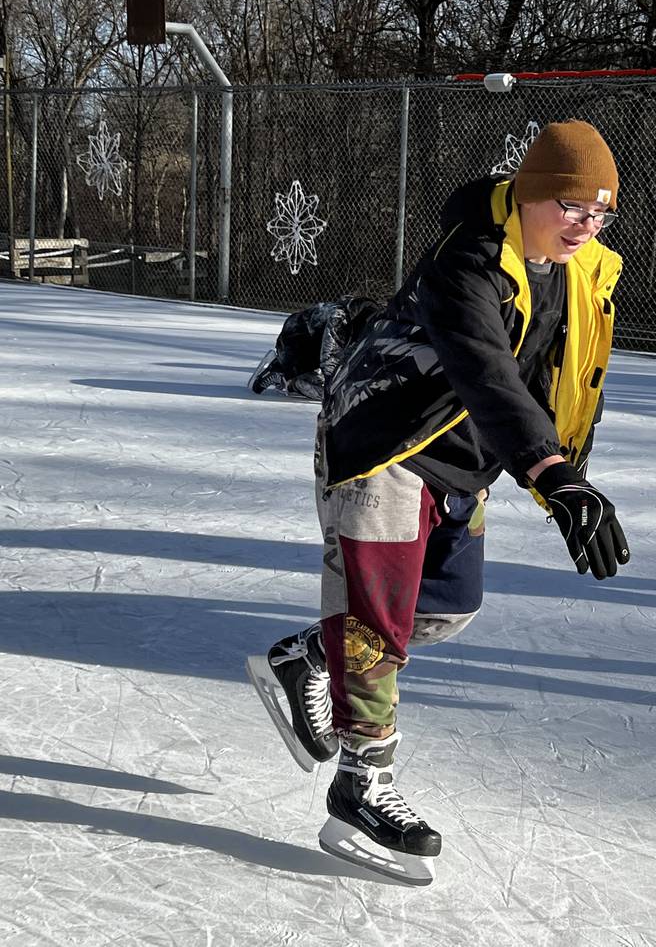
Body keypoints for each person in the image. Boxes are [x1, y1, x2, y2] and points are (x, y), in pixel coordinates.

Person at [247, 119, 630, 885]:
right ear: (530, 194)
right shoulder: (469, 260)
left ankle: (308, 657)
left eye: (601, 213)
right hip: (383, 446)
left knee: (451, 608)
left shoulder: (579, 270)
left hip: (464, 464)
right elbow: (487, 370)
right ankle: (362, 786)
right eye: (573, 208)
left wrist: (569, 477)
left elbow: (564, 380)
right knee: (375, 625)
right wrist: (550, 469)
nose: (587, 226)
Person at [246, 295, 379, 400]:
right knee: (332, 395)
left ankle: (287, 372)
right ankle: (285, 376)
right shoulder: (339, 319)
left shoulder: (352, 315)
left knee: (337, 385)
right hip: (293, 345)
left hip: (304, 345)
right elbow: (330, 359)